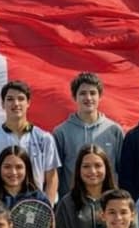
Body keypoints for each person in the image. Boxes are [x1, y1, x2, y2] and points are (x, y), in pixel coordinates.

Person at [0, 80, 59, 201]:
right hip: (3, 210)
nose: (16, 103)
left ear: (28, 103)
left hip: (34, 209)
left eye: (21, 99)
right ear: (2, 104)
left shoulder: (45, 138)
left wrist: (47, 208)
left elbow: (51, 177)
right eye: (10, 99)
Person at [53, 72, 123, 200]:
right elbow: (56, 174)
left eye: (92, 93)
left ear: (100, 96)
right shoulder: (61, 132)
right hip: (73, 203)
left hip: (108, 204)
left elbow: (122, 171)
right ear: (75, 97)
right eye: (83, 93)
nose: (88, 97)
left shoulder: (114, 130)